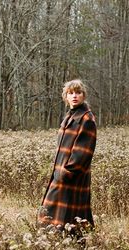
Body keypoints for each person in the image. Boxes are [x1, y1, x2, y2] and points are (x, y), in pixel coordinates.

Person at [38, 79, 97, 237]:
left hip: (73, 177)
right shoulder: (69, 117)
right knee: (53, 216)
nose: (74, 96)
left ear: (83, 95)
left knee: (71, 218)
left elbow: (83, 151)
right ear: (66, 96)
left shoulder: (86, 119)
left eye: (78, 92)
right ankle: (56, 248)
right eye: (70, 93)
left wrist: (67, 172)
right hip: (60, 175)